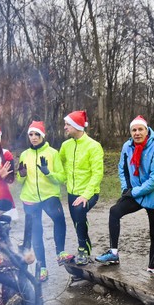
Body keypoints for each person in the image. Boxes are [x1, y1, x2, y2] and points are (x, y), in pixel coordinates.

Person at [95, 115, 154, 271]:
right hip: (134, 194)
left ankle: (150, 269)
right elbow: (122, 168)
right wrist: (126, 189)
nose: (137, 133)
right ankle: (113, 253)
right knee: (114, 211)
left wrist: (134, 192)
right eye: (134, 130)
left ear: (147, 131)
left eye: (140, 129)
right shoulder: (127, 146)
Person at [16, 121, 72, 281]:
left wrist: (48, 173)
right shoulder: (25, 154)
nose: (33, 137)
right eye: (31, 134)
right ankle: (42, 268)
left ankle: (60, 253)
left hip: (49, 196)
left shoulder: (53, 153)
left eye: (36, 134)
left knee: (60, 220)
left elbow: (61, 178)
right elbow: (20, 180)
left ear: (42, 135)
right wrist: (22, 174)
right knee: (36, 233)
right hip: (30, 198)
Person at [59, 110, 104, 266]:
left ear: (77, 126)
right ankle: (86, 249)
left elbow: (97, 174)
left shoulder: (94, 146)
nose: (65, 127)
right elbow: (60, 165)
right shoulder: (66, 146)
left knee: (79, 212)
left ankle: (82, 249)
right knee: (78, 222)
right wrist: (56, 176)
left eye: (67, 124)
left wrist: (85, 195)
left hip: (89, 193)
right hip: (72, 192)